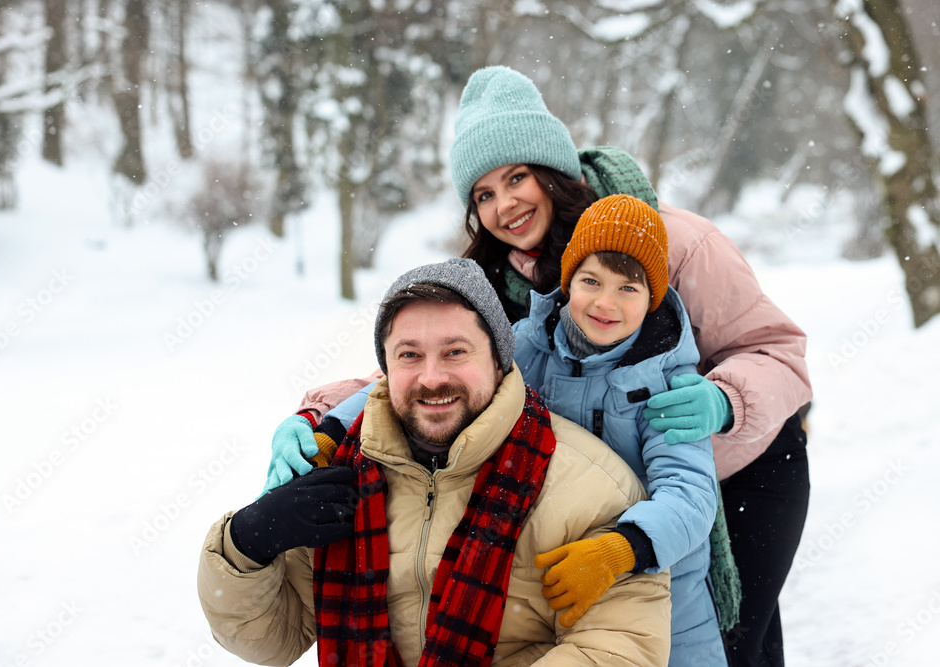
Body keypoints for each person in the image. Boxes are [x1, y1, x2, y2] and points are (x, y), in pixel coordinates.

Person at [264, 65, 812, 667]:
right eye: (483, 194)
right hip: (608, 501)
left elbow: (778, 352)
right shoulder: (496, 290)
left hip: (740, 473)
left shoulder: (674, 242)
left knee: (736, 648)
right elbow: (430, 370)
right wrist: (321, 418)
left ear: (556, 170)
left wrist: (723, 400)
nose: (505, 205)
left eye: (517, 176)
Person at [198, 258, 672, 666]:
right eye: (409, 355)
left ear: (499, 359)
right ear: (386, 366)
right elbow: (271, 642)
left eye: (455, 352)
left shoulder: (593, 486)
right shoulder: (338, 474)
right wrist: (244, 546)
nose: (431, 377)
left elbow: (622, 647)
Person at [515, 193, 723, 664]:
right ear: (568, 283)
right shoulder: (527, 346)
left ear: (652, 298)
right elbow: (445, 379)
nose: (605, 303)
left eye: (628, 288)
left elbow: (690, 492)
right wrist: (337, 426)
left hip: (660, 583)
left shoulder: (668, 381)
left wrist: (624, 548)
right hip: (548, 574)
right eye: (591, 280)